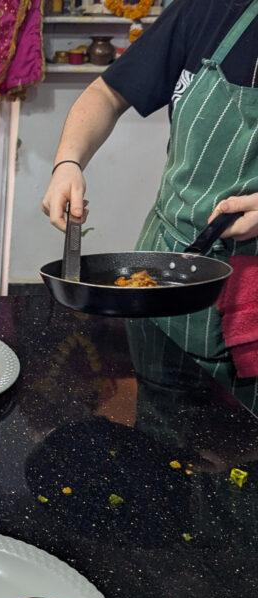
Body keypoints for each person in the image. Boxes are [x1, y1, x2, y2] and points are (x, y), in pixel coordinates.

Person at [41, 0, 258, 411]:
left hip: (252, 292)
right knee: (161, 438)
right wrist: (67, 164)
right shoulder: (205, 10)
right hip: (169, 270)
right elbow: (107, 93)